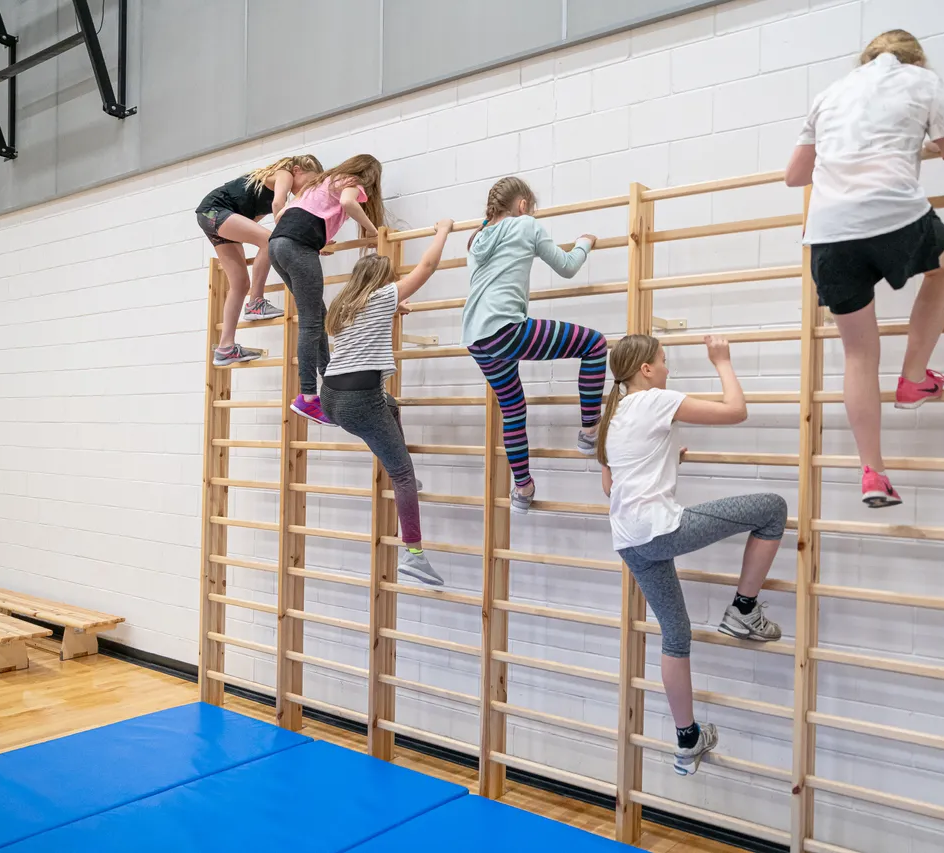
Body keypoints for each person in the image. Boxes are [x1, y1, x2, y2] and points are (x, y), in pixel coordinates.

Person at [784, 29, 944, 508]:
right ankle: (913, 376)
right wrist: (919, 145)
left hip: (828, 234)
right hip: (893, 216)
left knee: (858, 355)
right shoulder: (924, 81)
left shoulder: (829, 93)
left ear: (865, 58)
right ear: (914, 58)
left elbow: (794, 175)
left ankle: (873, 472)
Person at [598, 334, 787, 776]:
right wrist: (721, 360)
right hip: (660, 530)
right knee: (772, 509)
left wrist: (667, 460)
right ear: (646, 369)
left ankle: (688, 739)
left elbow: (612, 485)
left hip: (629, 539)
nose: (667, 369)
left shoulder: (615, 412)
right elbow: (735, 411)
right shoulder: (656, 399)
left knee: (675, 634)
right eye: (663, 362)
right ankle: (744, 608)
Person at [320, 219, 454, 586]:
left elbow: (364, 328)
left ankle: (403, 473)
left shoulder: (343, 305)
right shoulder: (381, 297)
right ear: (382, 282)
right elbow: (426, 267)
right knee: (402, 473)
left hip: (331, 396)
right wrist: (442, 230)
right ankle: (414, 555)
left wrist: (394, 310)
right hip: (359, 402)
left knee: (390, 404)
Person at [463, 176, 605, 514]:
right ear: (523, 205)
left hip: (476, 338)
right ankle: (589, 432)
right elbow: (568, 267)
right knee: (595, 345)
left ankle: (523, 489)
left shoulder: (477, 239)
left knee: (512, 408)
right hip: (505, 331)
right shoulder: (526, 224)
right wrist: (584, 242)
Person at [269, 154, 385, 424]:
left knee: (317, 315)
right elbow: (347, 202)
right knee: (311, 323)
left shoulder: (321, 182)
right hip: (297, 247)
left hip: (277, 245)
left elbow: (285, 214)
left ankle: (327, 380)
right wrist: (372, 232)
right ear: (368, 177)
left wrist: (318, 238)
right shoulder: (352, 182)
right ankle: (308, 396)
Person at [196, 155, 323, 366]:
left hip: (212, 216)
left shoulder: (258, 194)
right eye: (309, 183)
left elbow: (248, 224)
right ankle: (256, 303)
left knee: (239, 283)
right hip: (215, 210)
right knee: (270, 240)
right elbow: (278, 204)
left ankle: (225, 347)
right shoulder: (285, 174)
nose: (305, 190)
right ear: (298, 170)